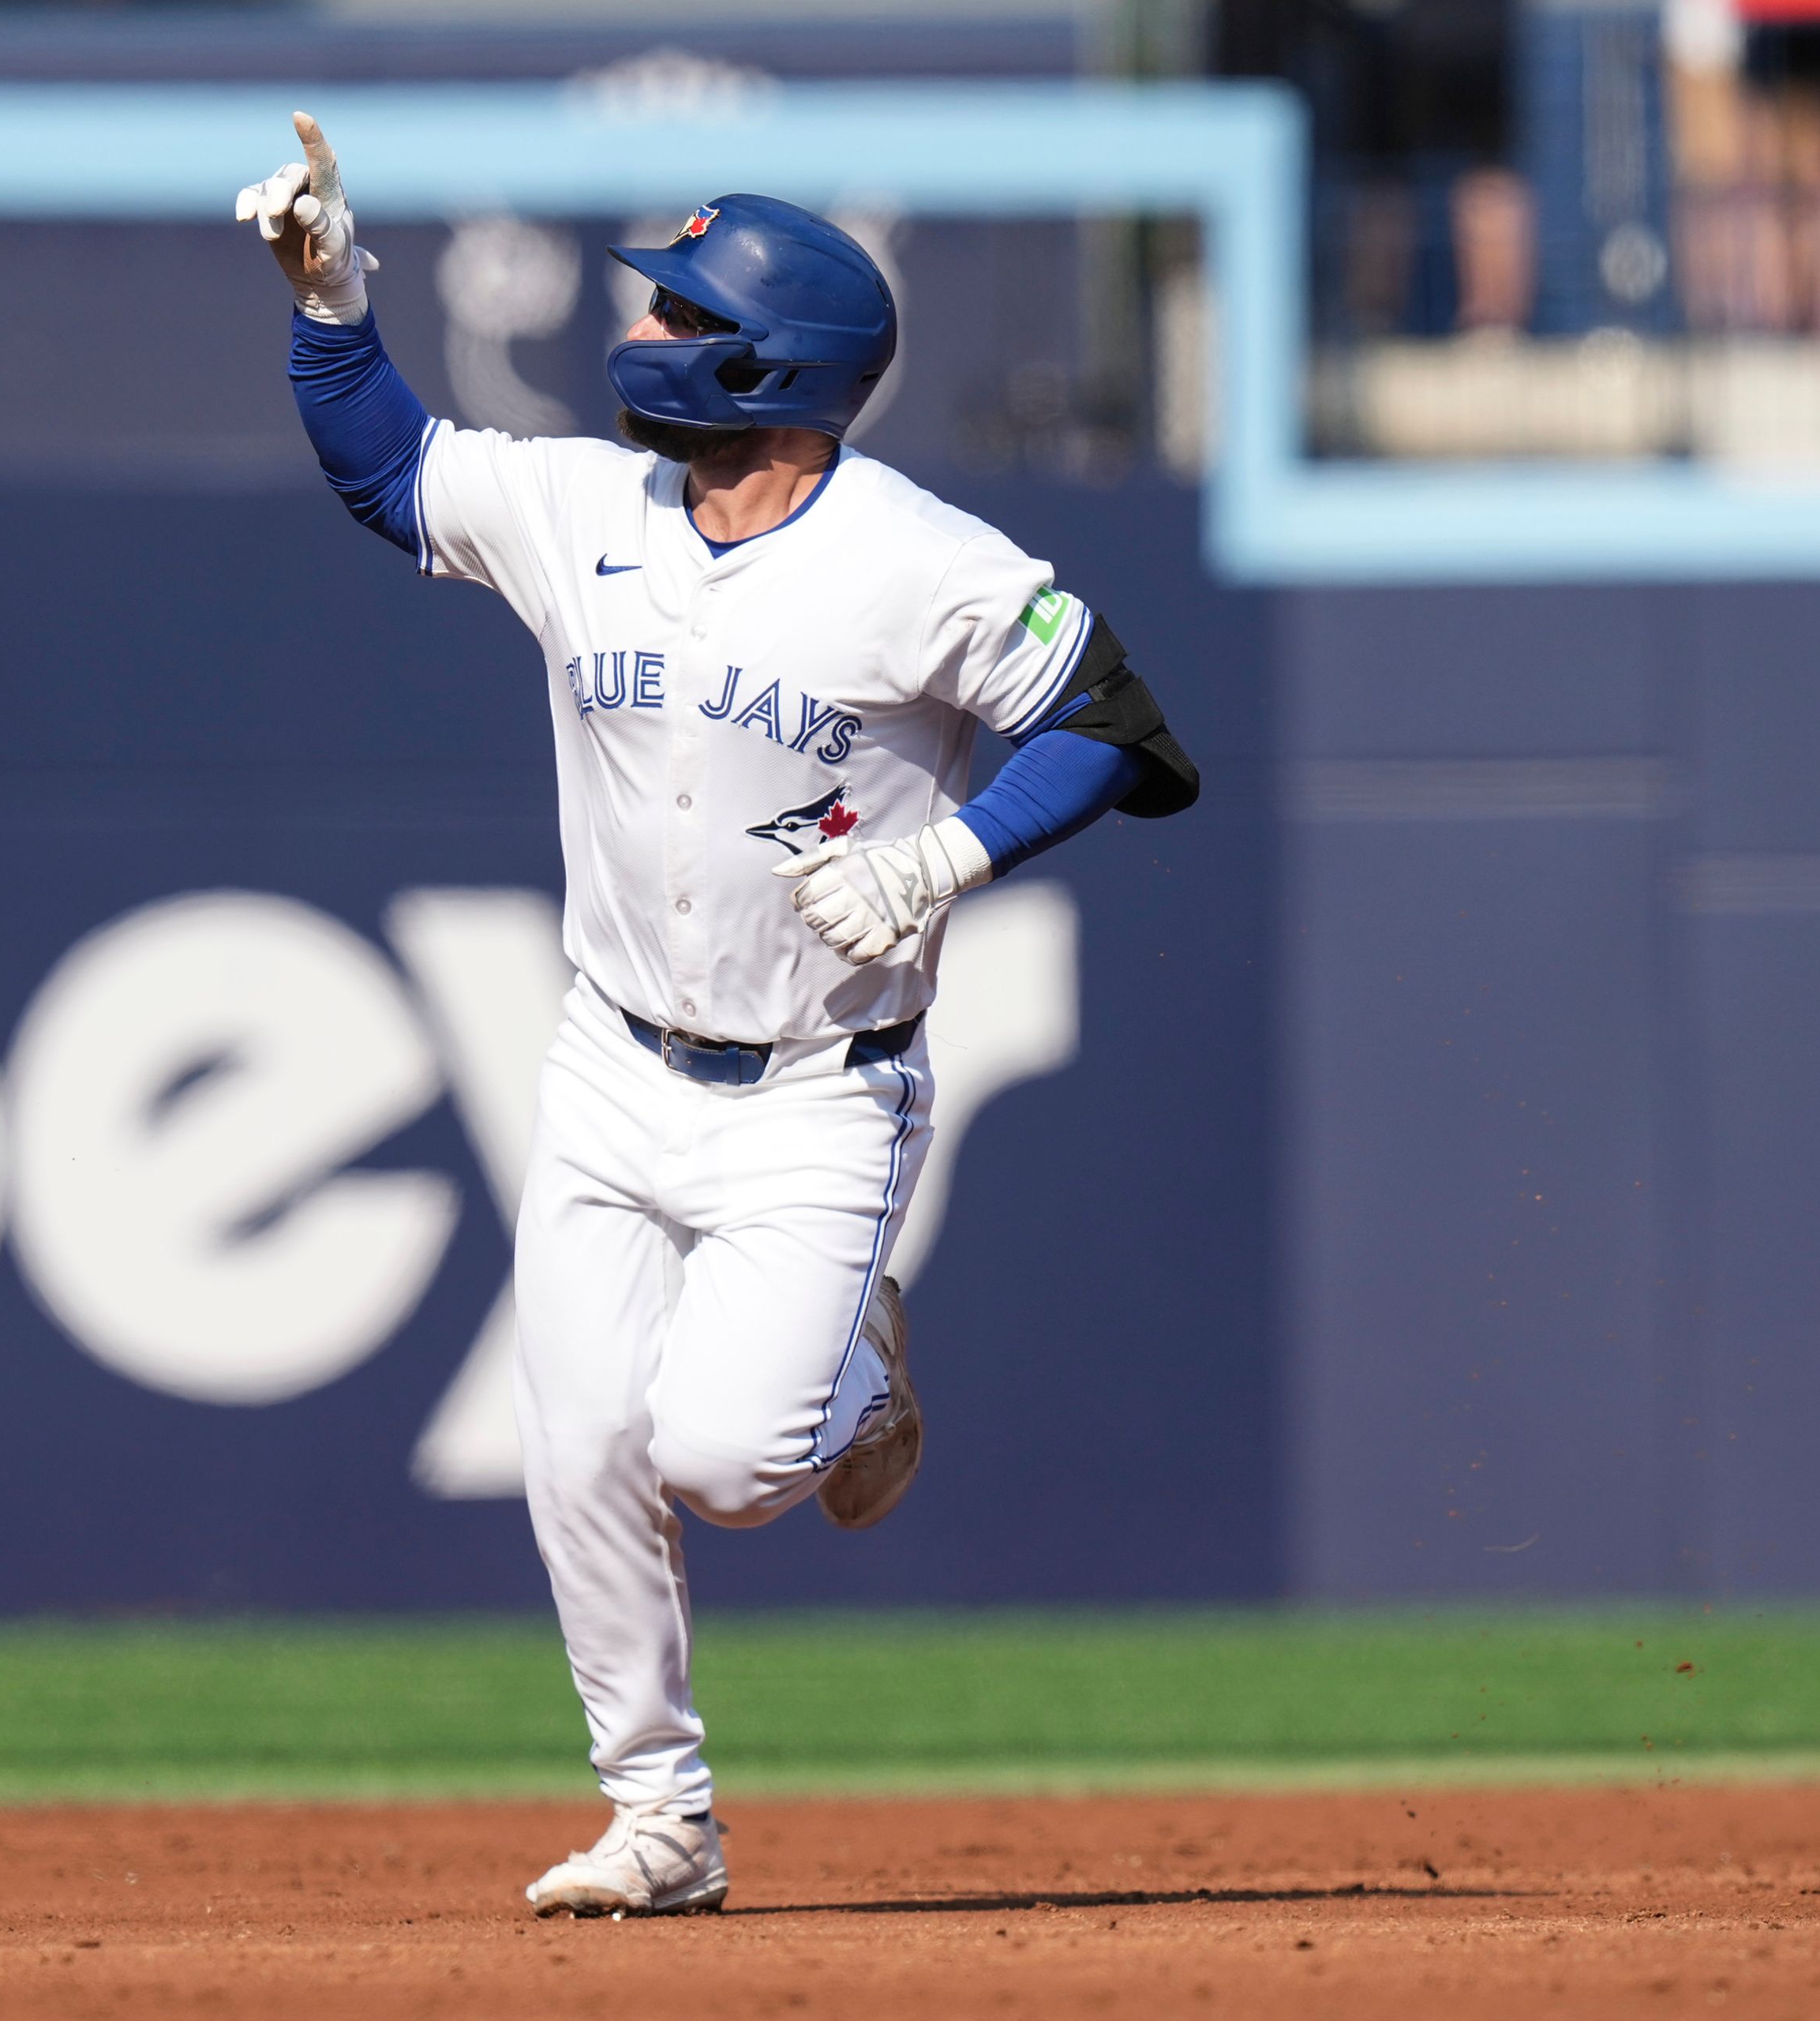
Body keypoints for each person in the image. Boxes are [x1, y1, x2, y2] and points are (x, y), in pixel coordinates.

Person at [236, 116, 1199, 1918]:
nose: (650, 337)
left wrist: (950, 860)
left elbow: (1127, 729)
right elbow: (393, 478)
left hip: (821, 1088)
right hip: (610, 1056)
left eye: (684, 314)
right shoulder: (590, 508)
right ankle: (661, 1816)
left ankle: (861, 1370)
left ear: (779, 366)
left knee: (730, 1460)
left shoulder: (913, 557)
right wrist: (331, 299)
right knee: (577, 1434)